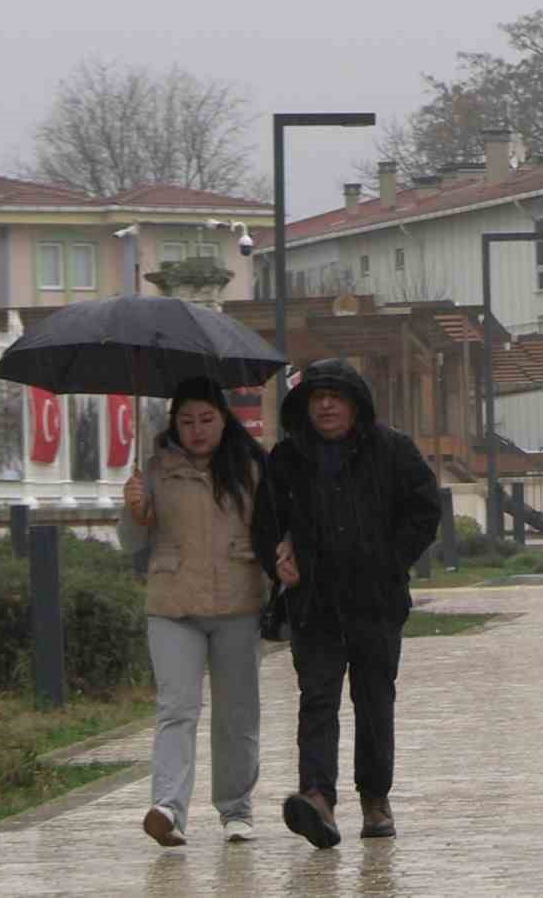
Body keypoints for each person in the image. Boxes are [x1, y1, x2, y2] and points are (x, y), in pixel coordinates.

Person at [251, 359, 441, 850]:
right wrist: (278, 559)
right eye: (317, 396)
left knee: (374, 702)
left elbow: (425, 509)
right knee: (317, 701)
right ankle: (317, 797)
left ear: (356, 403)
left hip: (375, 602)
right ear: (305, 405)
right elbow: (264, 522)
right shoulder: (287, 459)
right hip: (313, 603)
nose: (327, 404)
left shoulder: (393, 450)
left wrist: (391, 560)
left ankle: (375, 799)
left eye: (336, 395)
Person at [120, 376, 269, 847]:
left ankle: (236, 808)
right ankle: (168, 808)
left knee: (237, 714)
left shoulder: (252, 468)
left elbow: (273, 529)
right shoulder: (155, 471)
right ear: (174, 425)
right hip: (172, 604)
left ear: (224, 419)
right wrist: (134, 509)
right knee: (176, 708)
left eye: (206, 419)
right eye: (186, 421)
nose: (197, 429)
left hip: (237, 603)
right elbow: (130, 542)